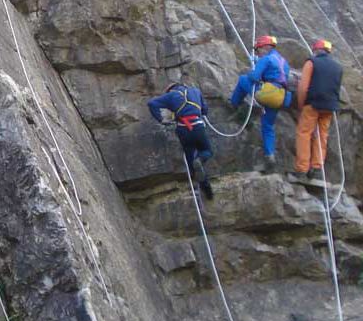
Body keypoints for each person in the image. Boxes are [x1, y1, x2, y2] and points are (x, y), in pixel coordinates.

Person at [228, 34, 292, 173]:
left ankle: (234, 104)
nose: (258, 52)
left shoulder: (266, 59)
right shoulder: (283, 61)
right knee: (268, 126)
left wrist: (255, 68)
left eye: (258, 50)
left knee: (243, 79)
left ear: (264, 47)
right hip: (280, 97)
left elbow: (255, 77)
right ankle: (270, 155)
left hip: (268, 93)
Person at [147, 80, 215, 199]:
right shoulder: (195, 91)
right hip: (198, 126)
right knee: (206, 151)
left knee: (191, 162)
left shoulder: (171, 95)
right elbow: (205, 110)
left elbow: (152, 103)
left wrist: (161, 119)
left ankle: (202, 184)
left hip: (183, 130)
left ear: (171, 89)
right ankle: (207, 188)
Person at [289, 38, 343, 186]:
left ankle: (301, 170)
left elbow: (303, 87)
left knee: (304, 133)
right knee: (322, 136)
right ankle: (317, 169)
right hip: (330, 107)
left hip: (312, 104)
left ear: (316, 50)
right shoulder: (338, 67)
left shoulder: (311, 62)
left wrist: (301, 105)